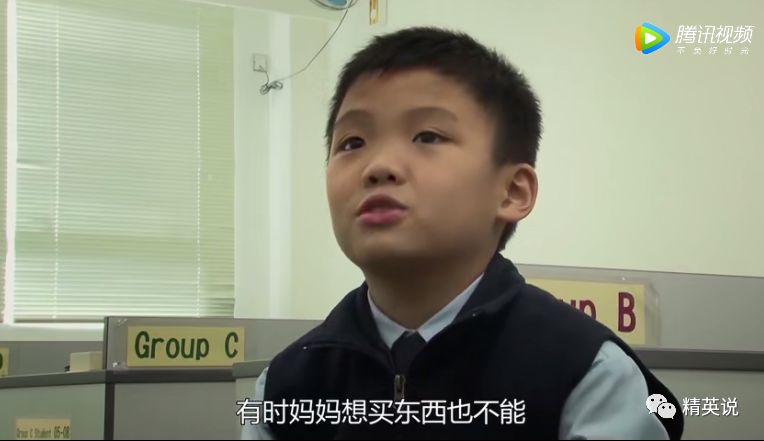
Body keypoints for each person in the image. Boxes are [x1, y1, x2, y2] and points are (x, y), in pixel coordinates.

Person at [242, 26, 683, 440]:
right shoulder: (285, 387)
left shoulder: (587, 372)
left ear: (512, 191)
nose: (378, 167)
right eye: (352, 143)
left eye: (427, 136)